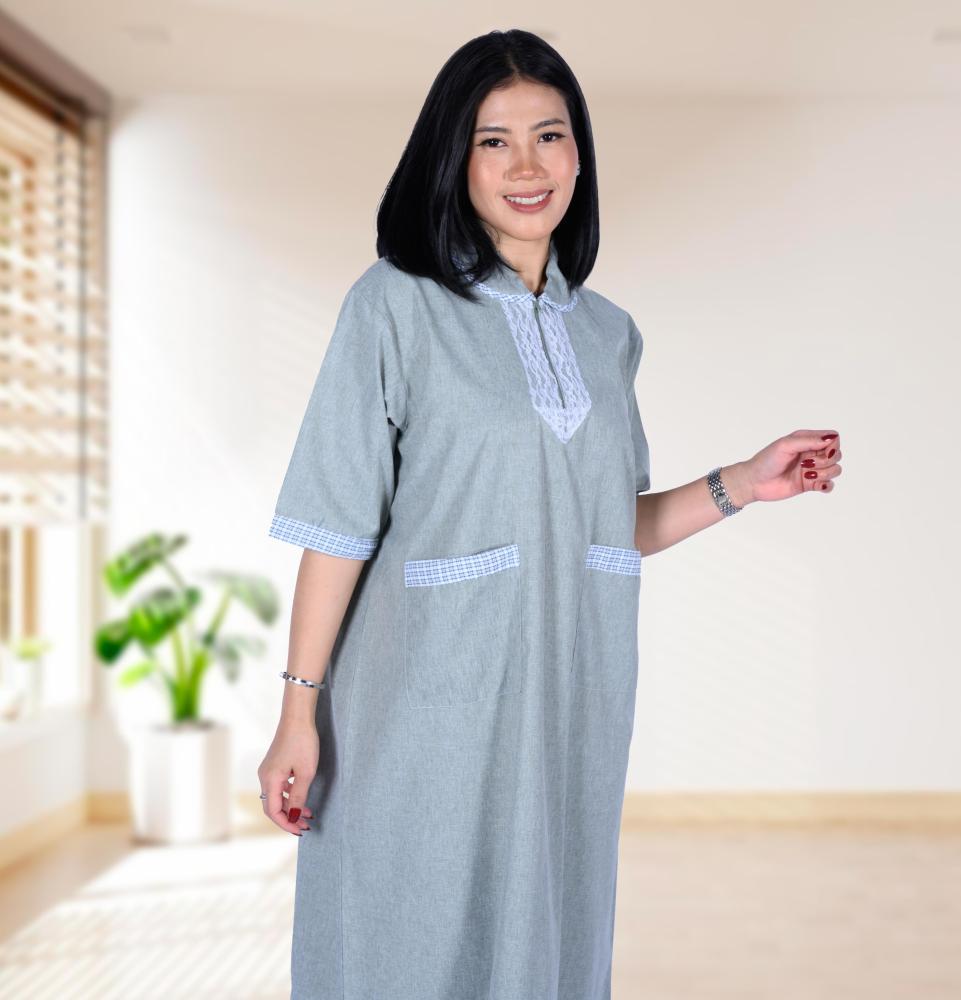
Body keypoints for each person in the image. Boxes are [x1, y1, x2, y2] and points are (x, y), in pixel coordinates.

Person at [257, 28, 843, 1000]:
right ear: (454, 158)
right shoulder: (394, 305)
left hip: (569, 705)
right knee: (404, 939)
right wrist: (296, 714)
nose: (526, 166)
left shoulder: (607, 334)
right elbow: (336, 527)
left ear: (580, 155)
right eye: (493, 141)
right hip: (420, 707)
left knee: (549, 946)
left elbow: (603, 529)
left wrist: (744, 481)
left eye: (549, 136)